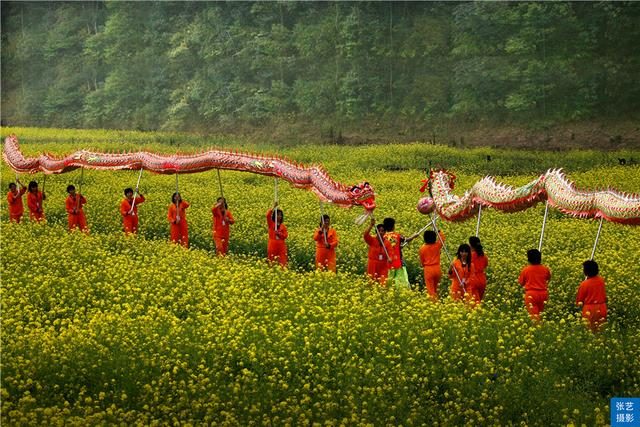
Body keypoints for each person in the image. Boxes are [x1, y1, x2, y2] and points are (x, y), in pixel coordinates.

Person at [518, 249, 551, 322]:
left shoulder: (526, 270)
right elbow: (548, 278)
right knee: (540, 314)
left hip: (531, 294)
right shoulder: (545, 269)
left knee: (534, 315)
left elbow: (521, 283)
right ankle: (541, 328)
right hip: (543, 293)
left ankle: (537, 330)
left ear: (528, 259)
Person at [576, 260, 607, 332]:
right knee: (600, 331)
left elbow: (579, 300)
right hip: (602, 308)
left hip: (590, 310)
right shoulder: (601, 280)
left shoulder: (584, 284)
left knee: (590, 332)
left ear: (586, 272)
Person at [383, 217, 410, 290]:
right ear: (393, 226)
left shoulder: (382, 237)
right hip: (398, 262)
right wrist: (414, 236)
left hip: (387, 263)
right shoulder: (397, 236)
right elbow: (406, 240)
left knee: (388, 280)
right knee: (401, 280)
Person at [419, 229, 445, 301]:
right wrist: (439, 232)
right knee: (436, 287)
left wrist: (423, 265)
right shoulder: (437, 245)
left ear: (425, 238)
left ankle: (433, 303)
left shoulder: (422, 248)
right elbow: (442, 239)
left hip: (428, 269)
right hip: (437, 268)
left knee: (430, 289)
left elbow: (421, 260)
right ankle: (437, 301)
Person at [363, 218, 390, 284]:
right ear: (376, 231)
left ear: (385, 232)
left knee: (383, 283)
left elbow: (390, 252)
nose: (381, 232)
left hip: (383, 265)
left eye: (383, 231)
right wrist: (371, 225)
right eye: (379, 230)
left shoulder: (387, 243)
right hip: (372, 264)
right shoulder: (372, 240)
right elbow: (365, 235)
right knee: (371, 282)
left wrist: (390, 258)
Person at [468, 236, 489, 303]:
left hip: (473, 279)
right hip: (482, 279)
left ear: (470, 245)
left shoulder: (470, 256)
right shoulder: (483, 255)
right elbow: (485, 265)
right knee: (479, 300)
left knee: (474, 303)